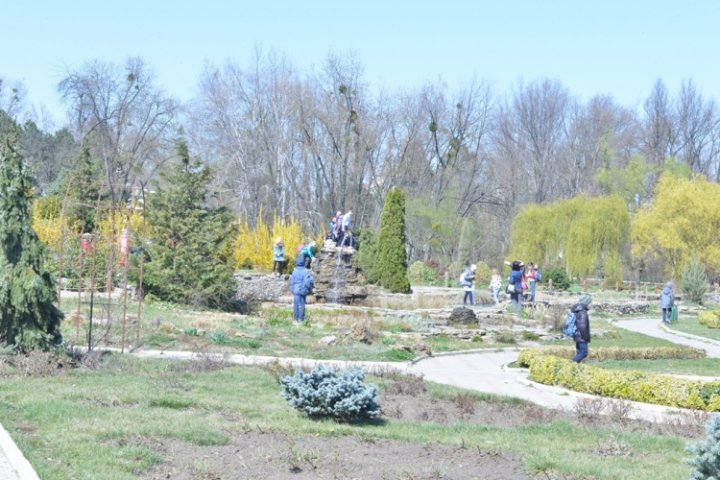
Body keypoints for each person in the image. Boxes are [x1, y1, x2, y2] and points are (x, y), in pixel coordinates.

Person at [290, 257, 314, 323]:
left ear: (297, 263)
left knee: (296, 305)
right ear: (303, 263)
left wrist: (292, 290)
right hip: (303, 290)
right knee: (302, 304)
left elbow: (292, 283)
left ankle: (296, 319)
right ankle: (302, 319)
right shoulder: (306, 271)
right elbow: (308, 281)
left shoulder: (294, 272)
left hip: (296, 290)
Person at [572, 293, 592, 363]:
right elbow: (582, 326)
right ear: (586, 303)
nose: (591, 305)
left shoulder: (577, 310)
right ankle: (570, 363)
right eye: (590, 303)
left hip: (577, 335)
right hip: (582, 337)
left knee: (579, 353)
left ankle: (575, 368)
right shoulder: (583, 312)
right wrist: (586, 337)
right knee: (584, 353)